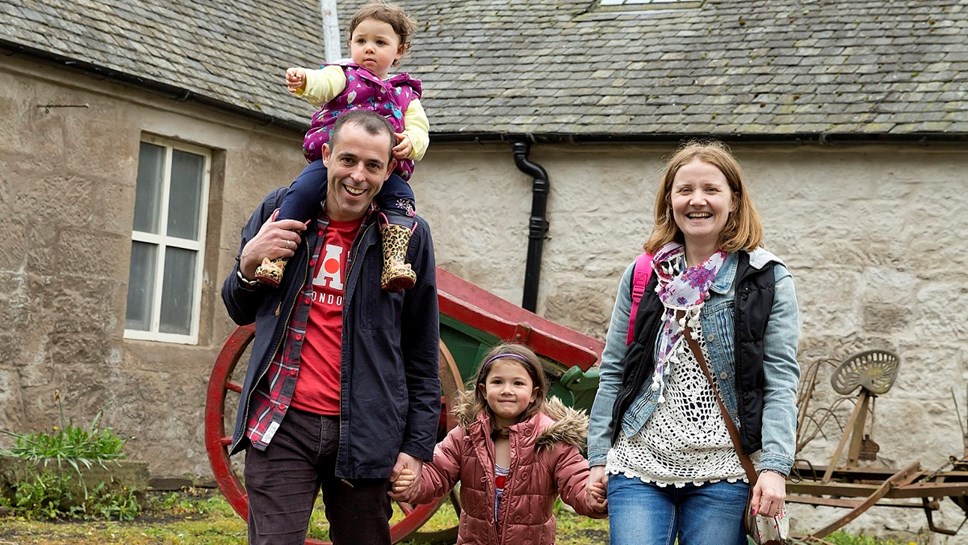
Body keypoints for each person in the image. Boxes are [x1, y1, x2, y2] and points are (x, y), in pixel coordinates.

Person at [221, 109, 440, 545]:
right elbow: (238, 307)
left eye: (373, 165)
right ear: (326, 154)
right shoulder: (278, 211)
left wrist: (416, 448)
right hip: (281, 423)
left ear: (390, 170)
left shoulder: (408, 236)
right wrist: (248, 264)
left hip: (366, 428)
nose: (358, 176)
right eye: (348, 160)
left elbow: (420, 350)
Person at [586, 140, 800, 545]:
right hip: (639, 464)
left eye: (711, 190)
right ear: (670, 200)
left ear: (734, 200)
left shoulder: (766, 278)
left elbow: (780, 380)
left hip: (724, 469)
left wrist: (773, 467)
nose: (697, 200)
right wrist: (599, 457)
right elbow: (614, 368)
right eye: (684, 190)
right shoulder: (643, 274)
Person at [254, 0, 429, 292]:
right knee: (302, 192)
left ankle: (395, 260)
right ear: (350, 44)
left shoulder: (406, 95)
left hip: (383, 170)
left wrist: (411, 143)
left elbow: (420, 129)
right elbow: (323, 83)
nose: (369, 48)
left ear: (399, 51)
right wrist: (305, 80)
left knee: (402, 199)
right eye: (361, 41)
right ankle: (275, 259)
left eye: (380, 42)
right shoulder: (344, 75)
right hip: (330, 163)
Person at [391, 343, 608, 544]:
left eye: (518, 383)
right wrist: (413, 483)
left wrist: (592, 496)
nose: (507, 390)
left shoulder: (551, 442)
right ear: (484, 391)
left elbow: (576, 481)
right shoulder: (466, 436)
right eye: (497, 382)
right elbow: (437, 472)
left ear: (534, 394)